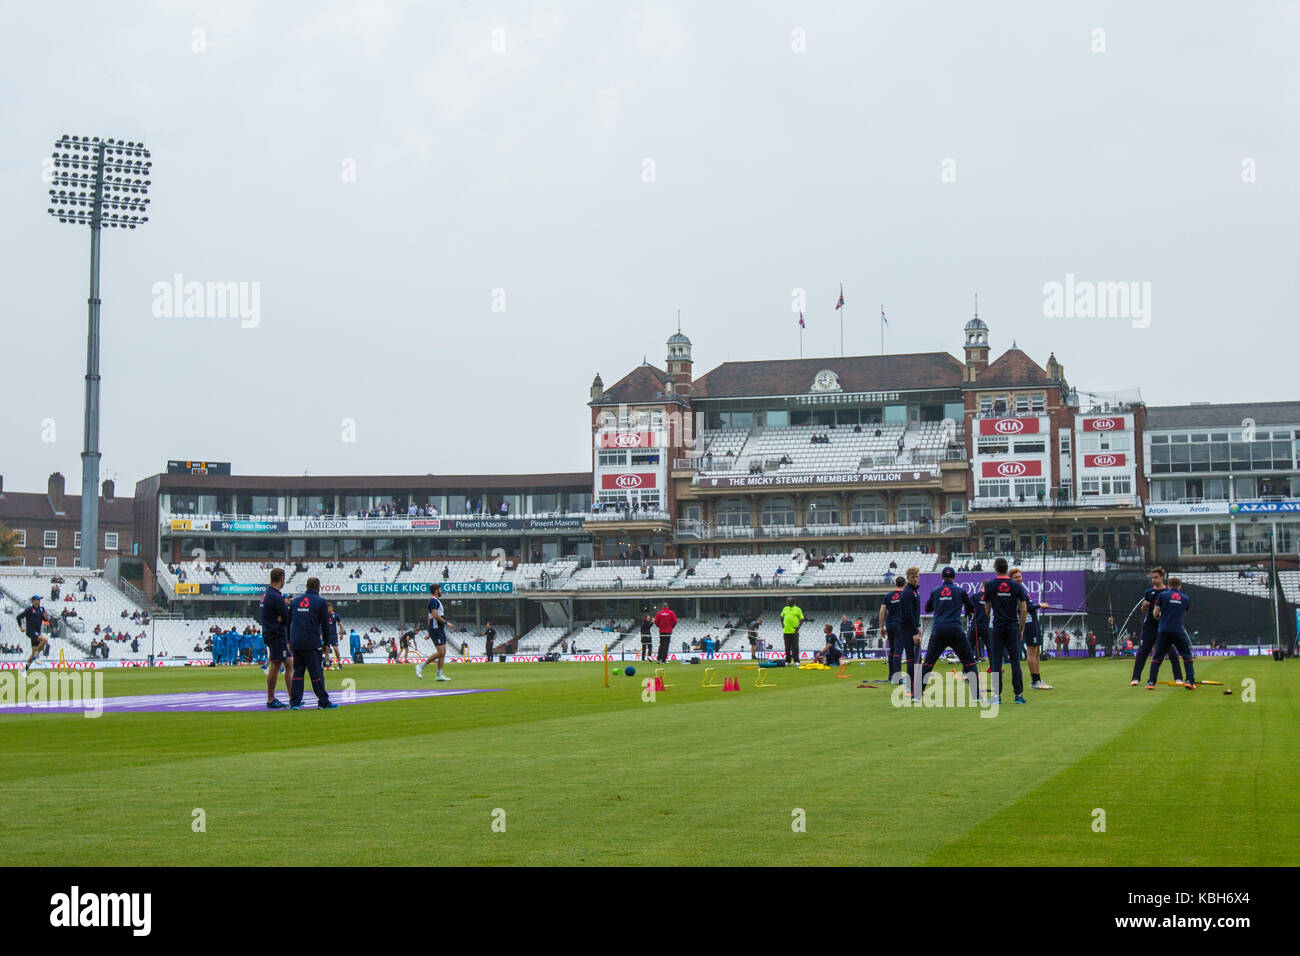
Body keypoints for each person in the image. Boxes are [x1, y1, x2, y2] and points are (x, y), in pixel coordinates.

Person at [921, 566, 981, 696]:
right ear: (954, 577)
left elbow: (927, 608)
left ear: (942, 577)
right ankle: (976, 695)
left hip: (939, 630)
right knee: (969, 662)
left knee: (928, 663)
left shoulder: (935, 591)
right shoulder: (960, 591)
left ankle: (917, 694)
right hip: (955, 629)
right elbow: (971, 608)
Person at [982, 557, 1029, 704]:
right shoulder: (1017, 586)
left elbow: (987, 607)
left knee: (996, 661)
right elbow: (1023, 609)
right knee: (1015, 661)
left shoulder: (990, 585)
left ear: (996, 568)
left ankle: (997, 696)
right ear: (1006, 569)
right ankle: (1018, 695)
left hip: (997, 626)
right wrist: (1021, 628)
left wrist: (990, 617)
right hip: (1012, 626)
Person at [287, 577, 338, 709]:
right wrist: (326, 642)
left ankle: (295, 702)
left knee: (298, 673)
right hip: (311, 641)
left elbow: (289, 623)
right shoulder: (320, 602)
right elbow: (325, 625)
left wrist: (289, 640)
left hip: (296, 642)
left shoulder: (295, 601)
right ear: (318, 587)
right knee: (316, 673)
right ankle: (323, 701)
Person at [1130, 567, 1184, 686]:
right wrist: (1144, 606)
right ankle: (1135, 678)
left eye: (1156, 577)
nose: (1154, 580)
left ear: (1162, 578)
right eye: (1152, 578)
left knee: (1171, 652)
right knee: (1143, 651)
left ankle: (1178, 678)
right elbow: (1145, 609)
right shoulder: (1148, 592)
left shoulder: (1167, 593)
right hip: (1150, 625)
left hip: (1164, 625)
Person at [1146, 576, 1197, 690]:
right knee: (1187, 656)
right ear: (1180, 586)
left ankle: (1151, 682)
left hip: (1164, 630)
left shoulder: (1163, 595)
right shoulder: (1185, 598)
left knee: (1157, 657)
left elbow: (1155, 613)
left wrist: (1160, 616)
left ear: (1168, 586)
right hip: (1178, 630)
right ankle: (1189, 681)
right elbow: (1183, 613)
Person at [1009, 568, 1053, 690]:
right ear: (1012, 579)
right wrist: (1040, 605)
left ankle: (1038, 678)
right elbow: (1024, 607)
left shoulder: (1022, 588)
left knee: (1037, 651)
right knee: (1031, 651)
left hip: (1033, 621)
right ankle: (1034, 681)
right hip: (1028, 622)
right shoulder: (1015, 590)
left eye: (1019, 576)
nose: (1018, 578)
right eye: (1016, 577)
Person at [416, 583, 452, 680]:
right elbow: (435, 615)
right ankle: (421, 666)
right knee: (440, 652)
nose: (441, 591)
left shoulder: (436, 601)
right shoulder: (433, 600)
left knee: (443, 652)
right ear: (436, 590)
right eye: (440, 589)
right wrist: (446, 623)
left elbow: (429, 617)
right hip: (436, 629)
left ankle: (439, 674)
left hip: (438, 629)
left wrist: (429, 632)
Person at [879, 577, 905, 679]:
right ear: (905, 584)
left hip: (890, 624)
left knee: (892, 650)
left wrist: (882, 628)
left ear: (895, 584)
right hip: (900, 624)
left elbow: (882, 612)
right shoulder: (905, 595)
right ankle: (897, 677)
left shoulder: (888, 595)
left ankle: (891, 675)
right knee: (898, 651)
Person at [17, 595, 50, 671]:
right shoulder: (29, 609)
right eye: (37, 599)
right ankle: (37, 656)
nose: (39, 601)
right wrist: (21, 627)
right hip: (30, 631)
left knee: (33, 653)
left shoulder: (42, 609)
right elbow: (18, 617)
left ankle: (24, 670)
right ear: (33, 601)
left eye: (39, 600)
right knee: (44, 640)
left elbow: (45, 621)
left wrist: (46, 618)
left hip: (37, 632)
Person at [779, 597, 804, 665]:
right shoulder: (785, 608)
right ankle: (788, 661)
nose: (787, 603)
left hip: (794, 631)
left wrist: (798, 627)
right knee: (787, 647)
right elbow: (781, 617)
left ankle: (796, 661)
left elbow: (802, 619)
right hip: (786, 631)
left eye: (789, 602)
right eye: (787, 602)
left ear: (793, 602)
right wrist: (782, 625)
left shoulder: (798, 609)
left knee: (795, 647)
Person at [322, 602, 343, 671]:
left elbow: (340, 624)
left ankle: (339, 662)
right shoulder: (324, 616)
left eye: (329, 607)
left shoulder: (336, 615)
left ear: (332, 608)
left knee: (335, 648)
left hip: (333, 635)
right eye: (327, 607)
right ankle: (327, 664)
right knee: (326, 650)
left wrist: (341, 633)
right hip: (326, 635)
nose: (328, 609)